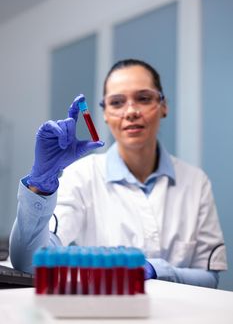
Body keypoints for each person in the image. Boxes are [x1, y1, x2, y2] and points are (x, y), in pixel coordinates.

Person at [10, 59, 227, 288]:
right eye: (117, 102)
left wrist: (157, 271)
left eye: (143, 98)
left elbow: (210, 278)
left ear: (164, 106)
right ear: (105, 113)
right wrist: (41, 183)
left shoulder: (196, 181)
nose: (131, 112)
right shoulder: (82, 176)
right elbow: (30, 263)